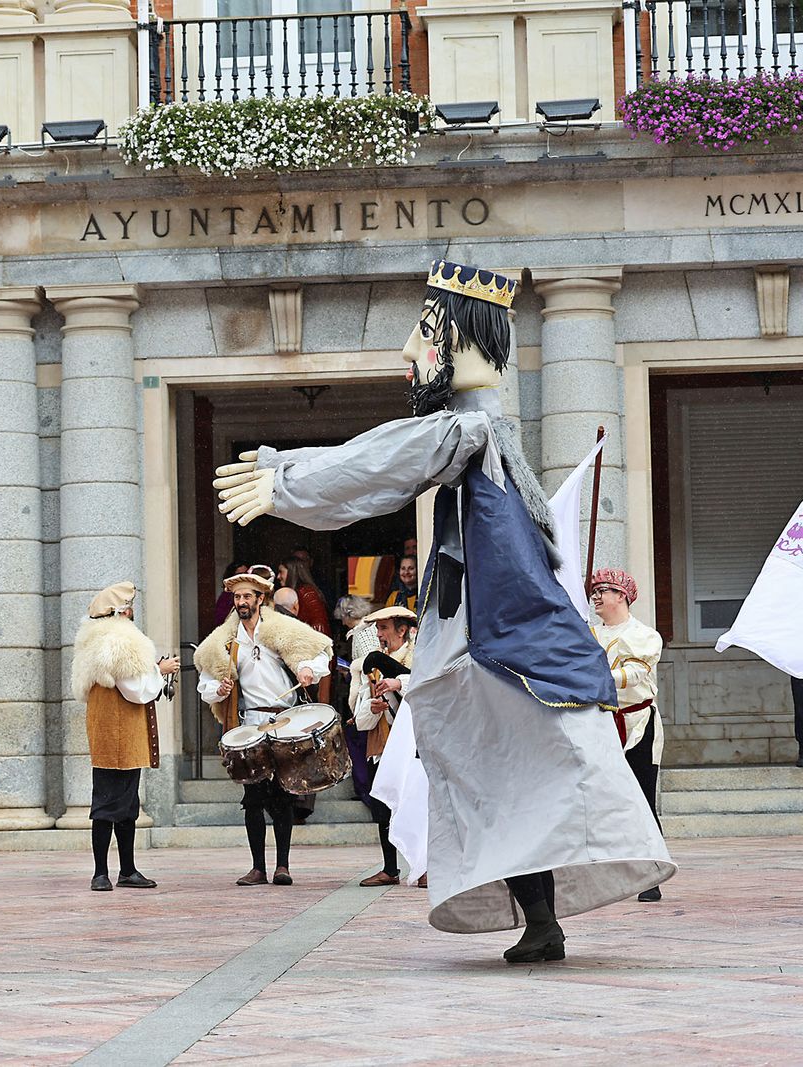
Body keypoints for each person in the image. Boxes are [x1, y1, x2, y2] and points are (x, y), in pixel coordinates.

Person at [213, 260, 674, 964]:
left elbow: (381, 462)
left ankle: (545, 918)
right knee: (510, 790)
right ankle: (542, 921)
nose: (408, 351)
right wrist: (288, 469)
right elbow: (378, 455)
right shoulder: (485, 438)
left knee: (512, 786)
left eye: (423, 334)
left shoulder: (471, 432)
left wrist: (286, 481)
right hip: (507, 654)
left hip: (504, 656)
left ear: (459, 343)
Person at [196, 568, 332, 886]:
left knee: (283, 796)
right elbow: (206, 683)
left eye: (247, 596)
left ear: (260, 599)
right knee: (253, 798)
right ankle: (257, 867)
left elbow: (319, 653)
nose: (242, 602)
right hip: (249, 724)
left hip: (284, 721)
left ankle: (282, 866)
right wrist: (220, 690)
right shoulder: (224, 640)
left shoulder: (281, 629)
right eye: (237, 597)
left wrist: (307, 670)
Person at [71, 581, 177, 891]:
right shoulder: (119, 641)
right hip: (121, 733)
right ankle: (103, 873)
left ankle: (123, 871)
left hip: (108, 732)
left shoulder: (93, 639)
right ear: (120, 613)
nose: (132, 612)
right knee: (112, 806)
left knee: (123, 805)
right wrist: (160, 669)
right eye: (129, 607)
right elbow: (136, 689)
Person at [589, 567, 666, 902]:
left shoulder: (644, 635)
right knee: (601, 801)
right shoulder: (587, 634)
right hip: (598, 724)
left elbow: (635, 674)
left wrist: (598, 677)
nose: (595, 597)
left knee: (643, 800)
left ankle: (652, 875)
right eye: (594, 591)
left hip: (637, 725)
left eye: (602, 591)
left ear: (621, 595)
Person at [348, 605, 416, 887]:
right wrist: (373, 708)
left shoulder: (419, 656)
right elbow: (361, 720)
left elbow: (428, 688)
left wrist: (397, 682)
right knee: (383, 808)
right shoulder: (370, 666)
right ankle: (390, 869)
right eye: (377, 628)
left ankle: (425, 867)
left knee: (418, 805)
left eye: (384, 628)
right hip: (383, 746)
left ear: (402, 630)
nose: (379, 634)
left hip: (415, 746)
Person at [280, 557, 332, 636]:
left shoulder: (306, 592)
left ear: (292, 572)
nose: (278, 576)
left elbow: (320, 623)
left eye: (281, 572)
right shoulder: (300, 592)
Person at [212, 560, 248, 628]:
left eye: (246, 573)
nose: (243, 577)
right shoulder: (226, 596)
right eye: (240, 574)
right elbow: (220, 620)